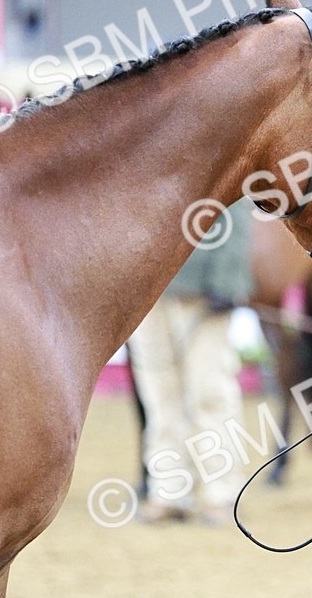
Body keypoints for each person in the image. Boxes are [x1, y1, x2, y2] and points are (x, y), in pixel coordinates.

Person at [126, 199, 254, 525]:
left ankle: (221, 494)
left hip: (202, 290)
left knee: (210, 393)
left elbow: (235, 205)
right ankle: (167, 492)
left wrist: (227, 281)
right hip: (144, 288)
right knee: (158, 397)